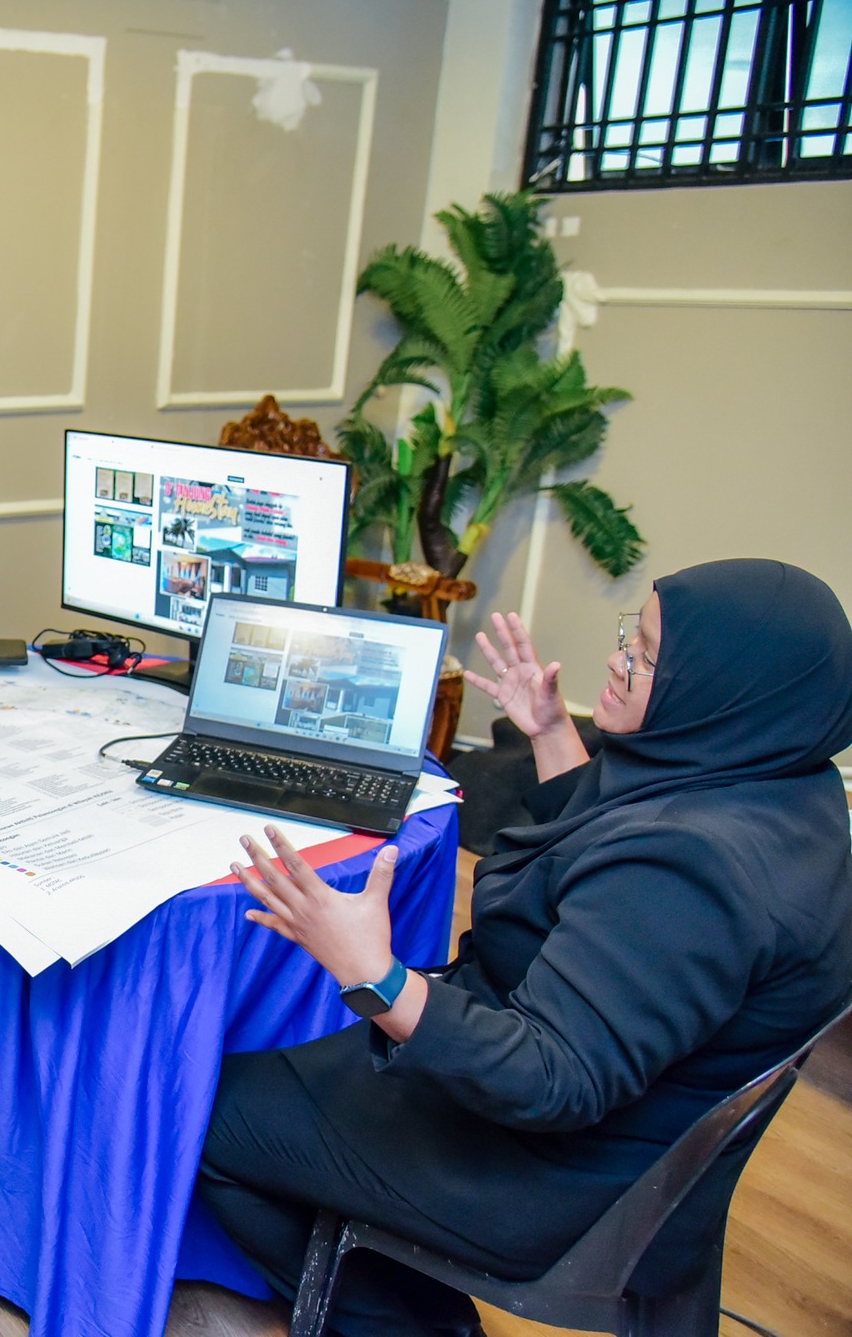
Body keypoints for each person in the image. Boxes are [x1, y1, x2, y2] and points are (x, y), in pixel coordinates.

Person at [198, 559, 852, 1336]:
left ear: (721, 691)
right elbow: (613, 869)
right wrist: (549, 733)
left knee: (203, 1118)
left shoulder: (691, 871)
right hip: (632, 1136)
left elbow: (550, 1080)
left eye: (646, 657)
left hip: (550, 1174)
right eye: (632, 637)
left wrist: (373, 973)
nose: (618, 660)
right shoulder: (782, 787)